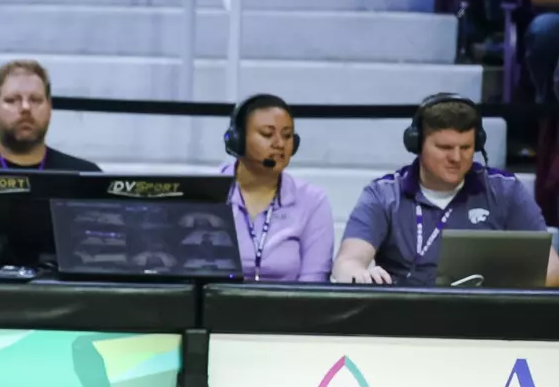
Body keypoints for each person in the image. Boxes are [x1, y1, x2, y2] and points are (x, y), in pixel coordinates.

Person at [333, 93, 559, 286]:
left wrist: (498, 288)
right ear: (417, 144)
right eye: (444, 147)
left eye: (466, 147)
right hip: (403, 318)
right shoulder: (383, 194)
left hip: (486, 317)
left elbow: (552, 269)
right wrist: (360, 275)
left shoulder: (506, 190)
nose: (456, 158)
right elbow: (347, 263)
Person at [220, 94, 334, 282]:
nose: (280, 144)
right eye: (267, 134)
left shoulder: (312, 201)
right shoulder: (206, 190)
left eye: (287, 135)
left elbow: (314, 287)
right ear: (237, 140)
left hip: (289, 309)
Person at [0, 60, 101, 171]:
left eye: (35, 100)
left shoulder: (85, 179)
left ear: (50, 109)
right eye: (12, 100)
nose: (25, 107)